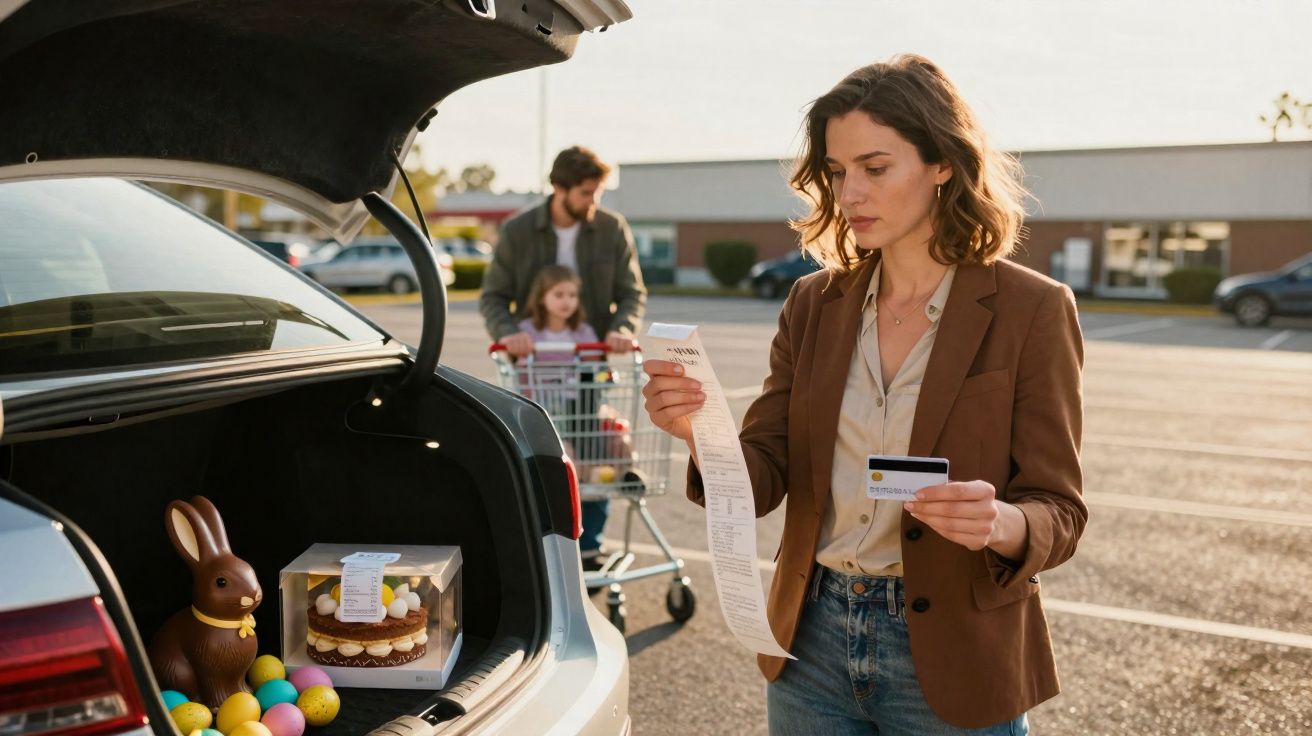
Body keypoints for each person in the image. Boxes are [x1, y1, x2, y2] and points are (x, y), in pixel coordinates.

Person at [641, 54, 1085, 735]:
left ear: (943, 164)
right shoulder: (812, 304)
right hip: (810, 642)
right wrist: (701, 430)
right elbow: (762, 479)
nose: (849, 194)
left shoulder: (1033, 309)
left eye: (875, 169)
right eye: (836, 172)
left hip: (955, 652)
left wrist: (1002, 523)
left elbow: (1060, 509)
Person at [481, 145, 647, 569]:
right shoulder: (519, 231)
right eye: (585, 193)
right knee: (547, 459)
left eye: (597, 193)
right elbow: (494, 297)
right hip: (536, 370)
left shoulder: (611, 228)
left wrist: (622, 330)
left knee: (593, 446)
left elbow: (631, 293)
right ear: (558, 187)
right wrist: (509, 334)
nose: (593, 202)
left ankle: (589, 547)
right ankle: (546, 547)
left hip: (589, 364)